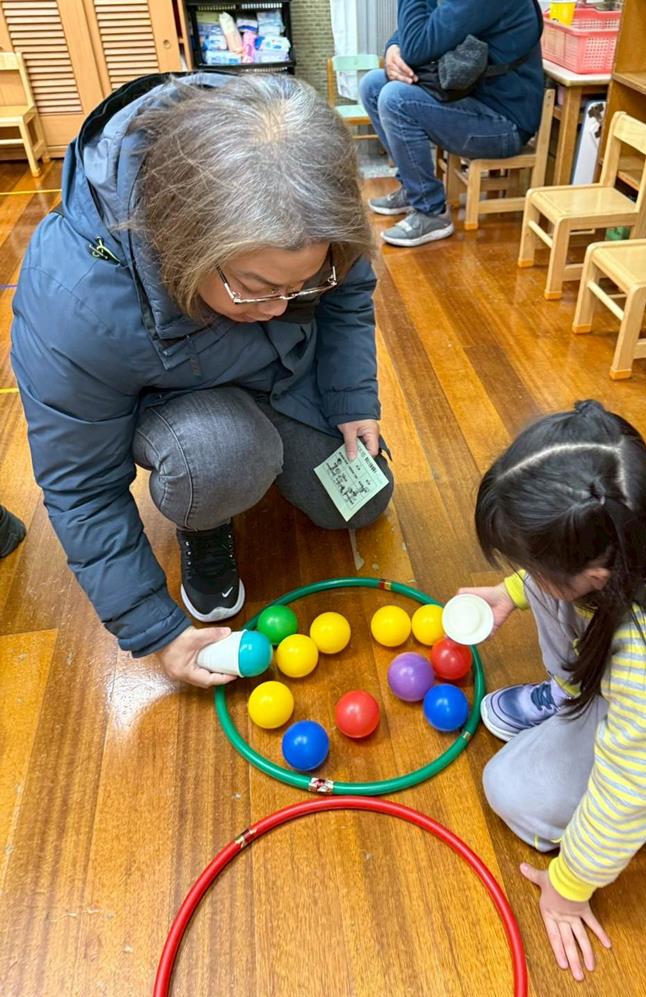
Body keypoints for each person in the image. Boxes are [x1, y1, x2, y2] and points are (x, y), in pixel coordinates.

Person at [11, 72, 393, 689]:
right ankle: (205, 518)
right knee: (221, 457)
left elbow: (349, 293)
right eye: (258, 287)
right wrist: (154, 628)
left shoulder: (306, 200)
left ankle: (258, 451)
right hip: (178, 401)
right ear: (187, 244)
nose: (282, 305)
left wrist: (351, 398)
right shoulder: (75, 303)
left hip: (275, 372)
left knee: (363, 502)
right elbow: (81, 488)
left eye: (303, 284)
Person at [461, 400, 646, 981]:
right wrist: (512, 593)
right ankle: (573, 699)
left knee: (510, 790)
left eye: (531, 565)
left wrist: (567, 888)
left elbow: (634, 792)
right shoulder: (635, 527)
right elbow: (559, 572)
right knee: (549, 590)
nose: (528, 575)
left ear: (597, 575)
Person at [360, 0, 544, 247]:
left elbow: (416, 48)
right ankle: (412, 188)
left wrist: (405, 46)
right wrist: (394, 46)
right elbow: (424, 22)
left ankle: (431, 212)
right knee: (372, 85)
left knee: (396, 99)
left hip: (503, 125)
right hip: (470, 100)